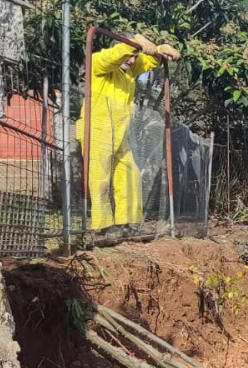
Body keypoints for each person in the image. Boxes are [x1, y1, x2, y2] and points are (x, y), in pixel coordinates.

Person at [77, 33, 181, 234]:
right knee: (100, 178)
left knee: (129, 174)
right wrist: (134, 45)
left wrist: (160, 50)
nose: (132, 61)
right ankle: (101, 227)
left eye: (134, 57)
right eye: (130, 55)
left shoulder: (128, 73)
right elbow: (116, 55)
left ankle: (128, 224)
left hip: (118, 133)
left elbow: (148, 60)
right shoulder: (98, 63)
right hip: (96, 130)